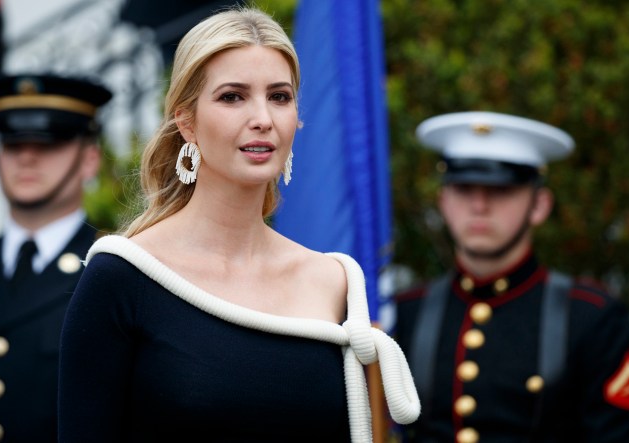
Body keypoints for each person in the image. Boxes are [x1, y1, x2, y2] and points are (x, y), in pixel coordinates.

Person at [57, 7, 419, 442]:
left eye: (280, 97)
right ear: (186, 121)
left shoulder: (335, 280)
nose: (263, 118)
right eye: (233, 96)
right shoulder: (123, 276)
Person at [394, 111, 629, 442]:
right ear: (442, 201)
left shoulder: (592, 320)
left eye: (499, 189)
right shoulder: (405, 312)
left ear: (539, 205)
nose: (479, 206)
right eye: (462, 188)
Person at [0, 73, 112, 442]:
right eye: (12, 143)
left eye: (50, 143)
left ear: (89, 159)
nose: (27, 156)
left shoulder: (112, 269)